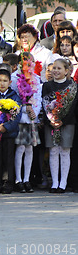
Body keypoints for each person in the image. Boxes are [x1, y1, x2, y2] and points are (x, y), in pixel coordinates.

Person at [42, 58, 78, 193]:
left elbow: (73, 105)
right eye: (54, 68)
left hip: (67, 123)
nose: (56, 71)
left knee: (64, 151)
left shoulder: (72, 86)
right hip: (51, 124)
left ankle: (63, 182)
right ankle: (55, 182)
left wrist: (63, 120)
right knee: (53, 151)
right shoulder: (47, 86)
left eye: (59, 68)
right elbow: (44, 103)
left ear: (66, 71)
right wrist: (51, 120)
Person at [11, 52, 42, 193]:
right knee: (21, 148)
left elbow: (38, 98)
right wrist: (25, 109)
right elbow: (13, 100)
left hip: (31, 119)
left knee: (30, 148)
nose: (28, 66)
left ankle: (27, 179)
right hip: (21, 119)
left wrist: (34, 111)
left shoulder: (36, 79)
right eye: (25, 63)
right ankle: (18, 179)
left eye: (31, 63)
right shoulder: (15, 78)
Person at [0, 69, 22, 194]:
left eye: (5, 81)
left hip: (9, 133)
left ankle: (8, 183)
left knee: (8, 158)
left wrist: (6, 126)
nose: (2, 84)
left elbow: (17, 115)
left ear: (10, 82)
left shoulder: (14, 96)